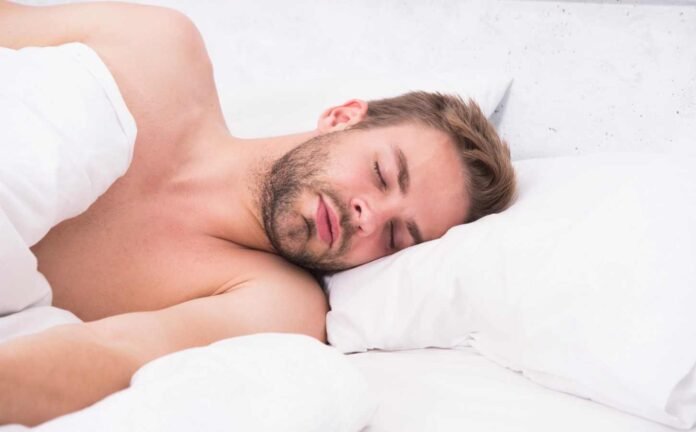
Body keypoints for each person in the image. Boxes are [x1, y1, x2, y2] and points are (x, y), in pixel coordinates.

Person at [0, 1, 516, 426]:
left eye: (397, 237)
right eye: (382, 174)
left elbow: (111, 356)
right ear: (341, 118)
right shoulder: (156, 50)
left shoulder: (278, 305)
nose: (368, 216)